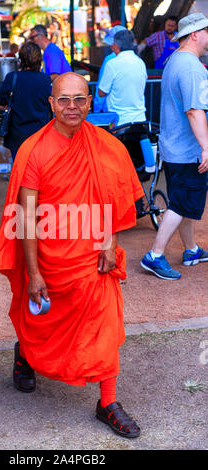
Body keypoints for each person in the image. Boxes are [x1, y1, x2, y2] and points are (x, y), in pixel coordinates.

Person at [0, 72, 144, 438]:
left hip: (93, 257)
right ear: (51, 103)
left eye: (79, 99)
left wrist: (111, 240)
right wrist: (34, 273)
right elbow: (26, 218)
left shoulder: (107, 146)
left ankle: (107, 401)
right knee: (41, 321)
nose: (72, 106)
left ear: (91, 102)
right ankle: (25, 354)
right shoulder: (33, 150)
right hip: (50, 256)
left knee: (105, 324)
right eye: (64, 99)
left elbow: (116, 199)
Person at [141, 13, 208, 281]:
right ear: (195, 34)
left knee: (184, 202)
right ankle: (155, 255)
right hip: (187, 149)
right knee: (181, 203)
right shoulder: (191, 66)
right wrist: (206, 147)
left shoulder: (174, 60)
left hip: (173, 147)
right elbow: (194, 110)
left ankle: (190, 250)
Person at [0, 41, 52, 162]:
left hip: (17, 135)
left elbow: (1, 100)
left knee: (20, 172)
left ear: (20, 58)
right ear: (39, 59)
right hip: (40, 135)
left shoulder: (12, 77)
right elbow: (51, 104)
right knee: (39, 172)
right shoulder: (46, 79)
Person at [98, 29, 147, 126]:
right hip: (140, 119)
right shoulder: (140, 63)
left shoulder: (112, 64)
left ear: (116, 46)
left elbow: (101, 92)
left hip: (119, 121)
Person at [93, 25, 126, 113]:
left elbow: (101, 88)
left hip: (111, 110)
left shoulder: (109, 60)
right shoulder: (137, 61)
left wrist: (97, 110)